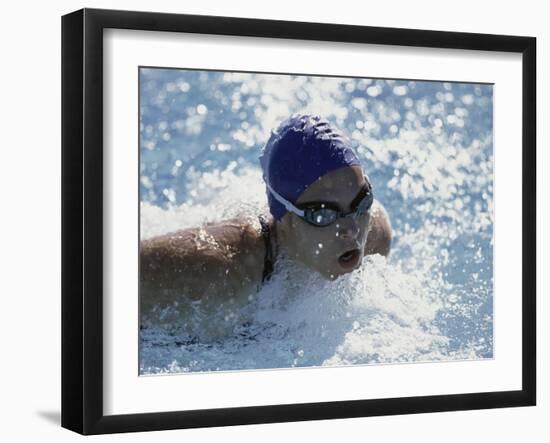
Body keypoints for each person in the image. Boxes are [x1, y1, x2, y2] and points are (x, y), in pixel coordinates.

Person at [140, 114, 392, 341]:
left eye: (361, 201)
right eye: (323, 214)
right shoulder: (217, 272)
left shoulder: (373, 234)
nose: (351, 230)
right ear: (284, 217)